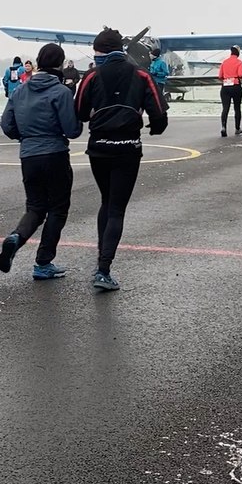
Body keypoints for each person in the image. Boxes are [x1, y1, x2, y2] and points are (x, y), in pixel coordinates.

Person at [75, 27, 168, 291]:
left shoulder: (92, 75)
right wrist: (154, 127)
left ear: (100, 52)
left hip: (99, 147)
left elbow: (79, 111)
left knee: (106, 201)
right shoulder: (141, 74)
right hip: (128, 147)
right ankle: (104, 269)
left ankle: (101, 258)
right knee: (117, 208)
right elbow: (159, 113)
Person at [0, 43, 82, 281]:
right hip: (54, 153)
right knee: (58, 208)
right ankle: (43, 262)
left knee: (35, 207)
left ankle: (17, 237)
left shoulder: (20, 91)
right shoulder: (62, 92)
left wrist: (25, 137)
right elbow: (72, 130)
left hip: (29, 155)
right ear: (60, 64)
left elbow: (7, 125)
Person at [218, 46, 242, 137]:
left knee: (225, 108)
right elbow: (240, 74)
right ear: (238, 53)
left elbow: (220, 76)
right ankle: (237, 128)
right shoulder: (239, 62)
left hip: (225, 86)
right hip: (236, 86)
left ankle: (223, 127)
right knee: (237, 108)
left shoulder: (224, 62)